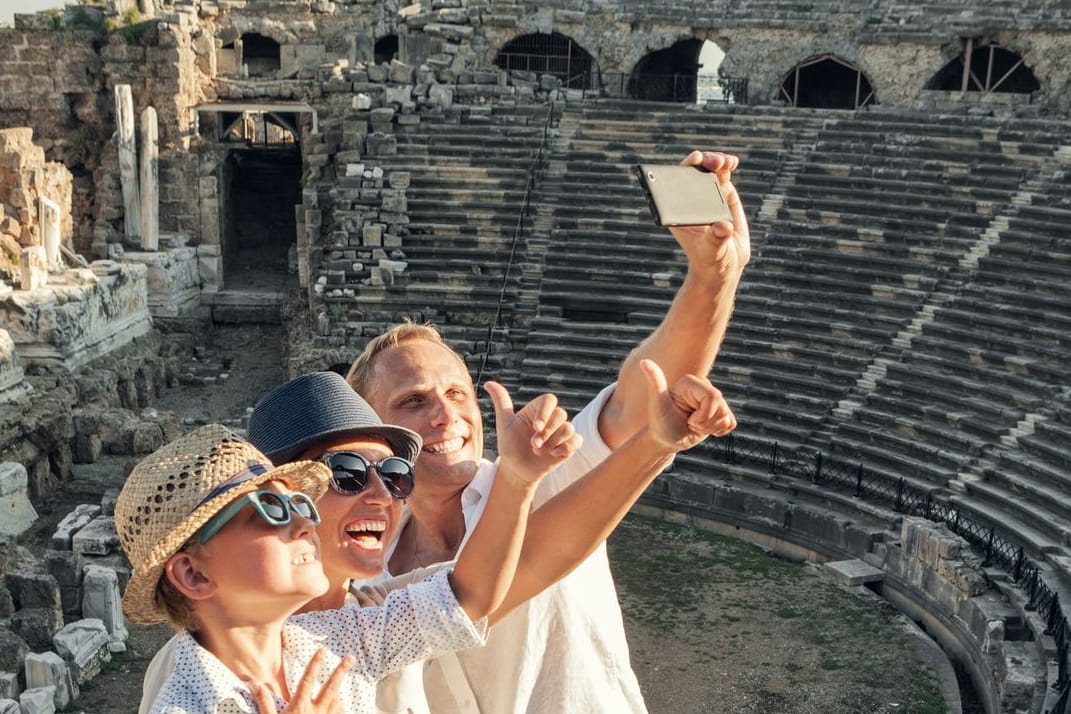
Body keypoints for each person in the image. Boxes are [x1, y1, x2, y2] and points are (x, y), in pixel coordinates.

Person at [344, 149, 750, 712]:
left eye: (457, 393)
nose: (445, 414)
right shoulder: (363, 565)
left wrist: (713, 278)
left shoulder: (545, 481)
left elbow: (639, 400)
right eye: (413, 401)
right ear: (371, 436)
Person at [136, 366, 736, 713]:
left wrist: (652, 446)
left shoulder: (353, 624)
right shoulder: (187, 683)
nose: (381, 494)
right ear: (192, 574)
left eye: (396, 475)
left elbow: (501, 575)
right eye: (344, 475)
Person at [118, 380, 577, 714]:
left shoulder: (336, 638)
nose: (304, 520)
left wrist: (516, 478)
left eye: (301, 502)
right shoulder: (183, 702)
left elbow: (466, 598)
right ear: (194, 574)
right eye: (272, 510)